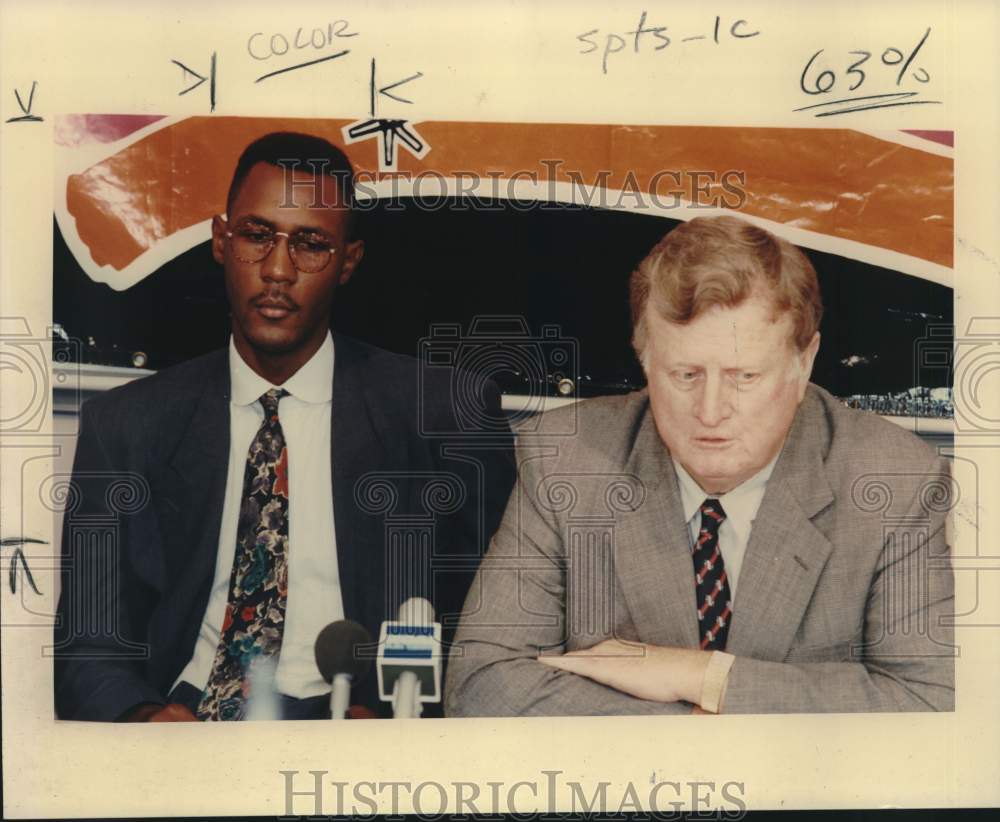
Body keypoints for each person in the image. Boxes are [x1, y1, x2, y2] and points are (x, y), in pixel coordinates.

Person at [54, 132, 515, 721]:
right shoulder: (124, 425)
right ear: (222, 241)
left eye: (311, 244)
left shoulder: (446, 414)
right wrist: (147, 719)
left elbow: (496, 633)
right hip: (190, 718)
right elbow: (87, 649)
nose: (276, 270)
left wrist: (405, 718)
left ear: (348, 262)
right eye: (256, 235)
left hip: (359, 728)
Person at [445, 214, 954, 716]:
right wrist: (697, 735)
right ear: (643, 359)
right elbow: (483, 685)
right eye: (685, 374)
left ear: (805, 363)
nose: (711, 411)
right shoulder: (566, 459)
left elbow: (930, 701)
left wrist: (702, 676)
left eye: (745, 376)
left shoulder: (894, 479)